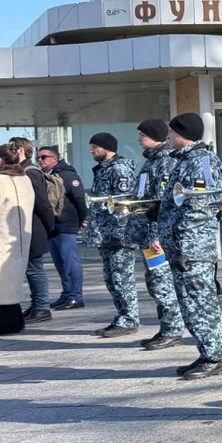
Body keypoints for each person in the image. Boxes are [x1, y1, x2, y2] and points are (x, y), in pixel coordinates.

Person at [156, 113, 222, 380]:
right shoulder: (186, 160)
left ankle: (215, 356)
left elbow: (200, 207)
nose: (167, 137)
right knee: (190, 304)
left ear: (182, 134)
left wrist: (184, 249)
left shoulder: (201, 162)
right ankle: (207, 352)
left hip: (193, 251)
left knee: (201, 303)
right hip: (183, 248)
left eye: (171, 132)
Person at [130, 119, 186, 350]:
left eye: (142, 134)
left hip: (155, 237)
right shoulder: (150, 162)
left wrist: (158, 234)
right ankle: (166, 327)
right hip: (146, 234)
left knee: (162, 282)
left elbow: (163, 203)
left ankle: (173, 329)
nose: (138, 139)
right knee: (155, 283)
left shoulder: (164, 162)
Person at [83, 133, 141, 338]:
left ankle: (129, 319)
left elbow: (125, 203)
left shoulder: (119, 169)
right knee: (111, 279)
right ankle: (122, 316)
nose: (91, 150)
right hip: (105, 234)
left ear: (108, 148)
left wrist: (119, 233)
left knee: (121, 278)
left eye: (95, 147)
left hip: (118, 236)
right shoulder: (103, 170)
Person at [7, 138, 56, 324]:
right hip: (27, 226)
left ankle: (43, 307)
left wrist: (50, 226)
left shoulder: (31, 172)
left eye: (12, 147)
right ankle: (37, 305)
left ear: (20, 150)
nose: (9, 150)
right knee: (30, 268)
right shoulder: (22, 170)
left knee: (35, 268)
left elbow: (42, 203)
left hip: (34, 226)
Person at [37, 145, 89, 310]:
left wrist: (83, 219)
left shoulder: (67, 175)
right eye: (38, 157)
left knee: (70, 262)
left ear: (54, 159)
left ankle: (76, 296)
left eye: (43, 157)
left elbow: (80, 199)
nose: (40, 160)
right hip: (52, 227)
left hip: (66, 225)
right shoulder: (46, 176)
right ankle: (67, 294)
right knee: (60, 263)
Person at [0, 145, 36, 336]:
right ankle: (15, 321)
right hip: (19, 241)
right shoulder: (24, 179)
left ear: (0, 160)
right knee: (12, 282)